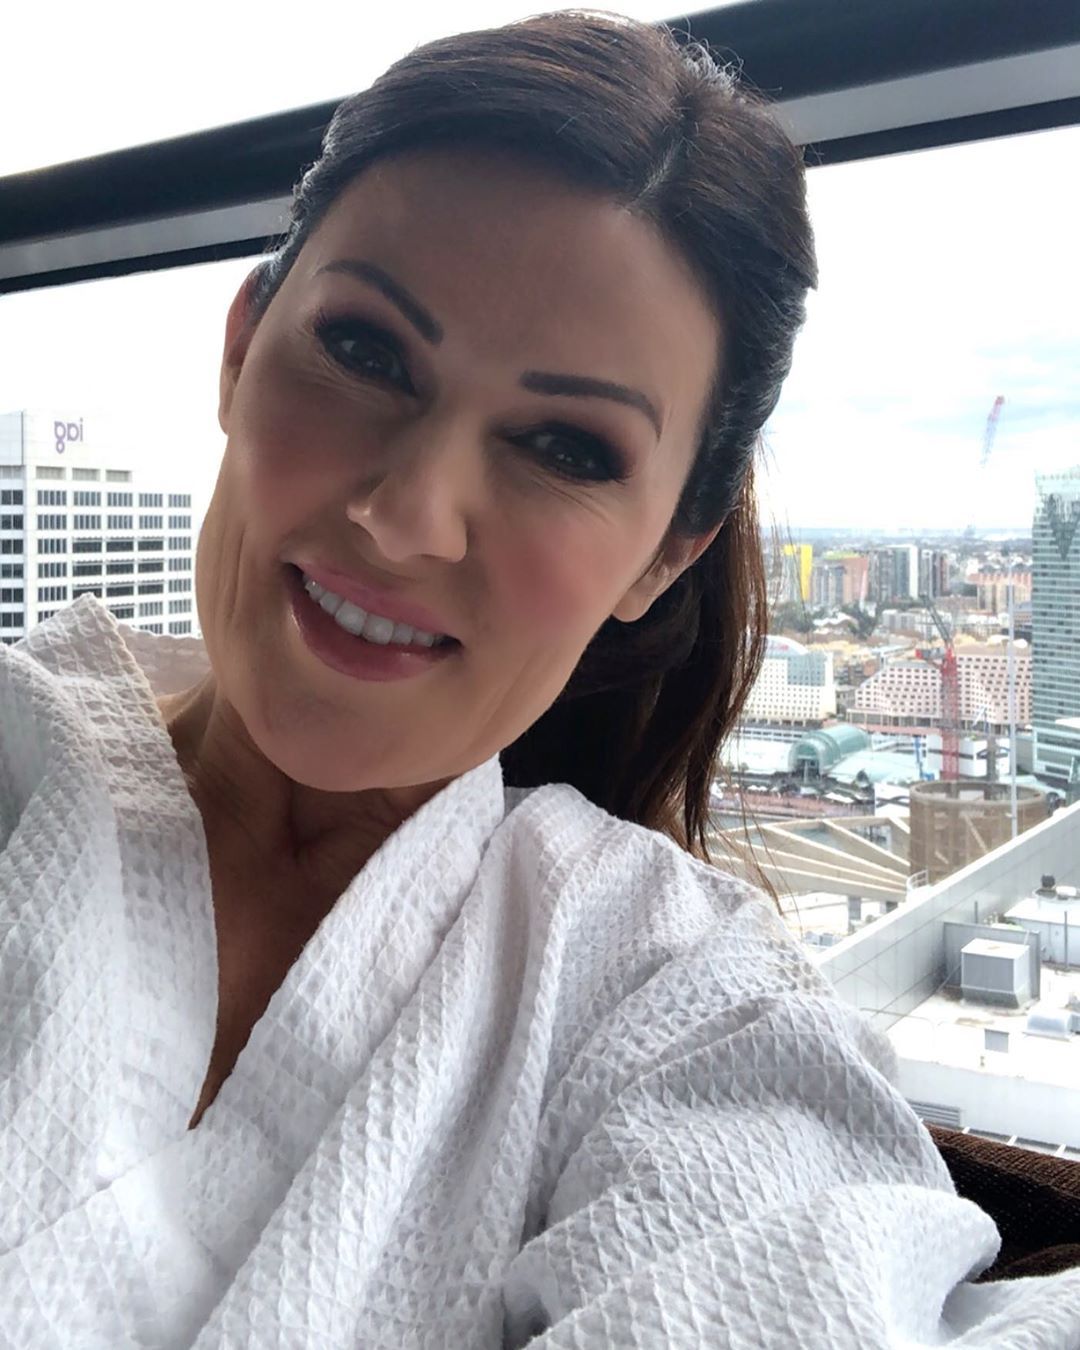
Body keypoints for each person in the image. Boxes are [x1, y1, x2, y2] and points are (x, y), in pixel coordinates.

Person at [0, 11, 1077, 1348]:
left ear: (668, 552)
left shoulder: (676, 998)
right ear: (239, 349)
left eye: (566, 447)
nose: (408, 517)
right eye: (367, 351)